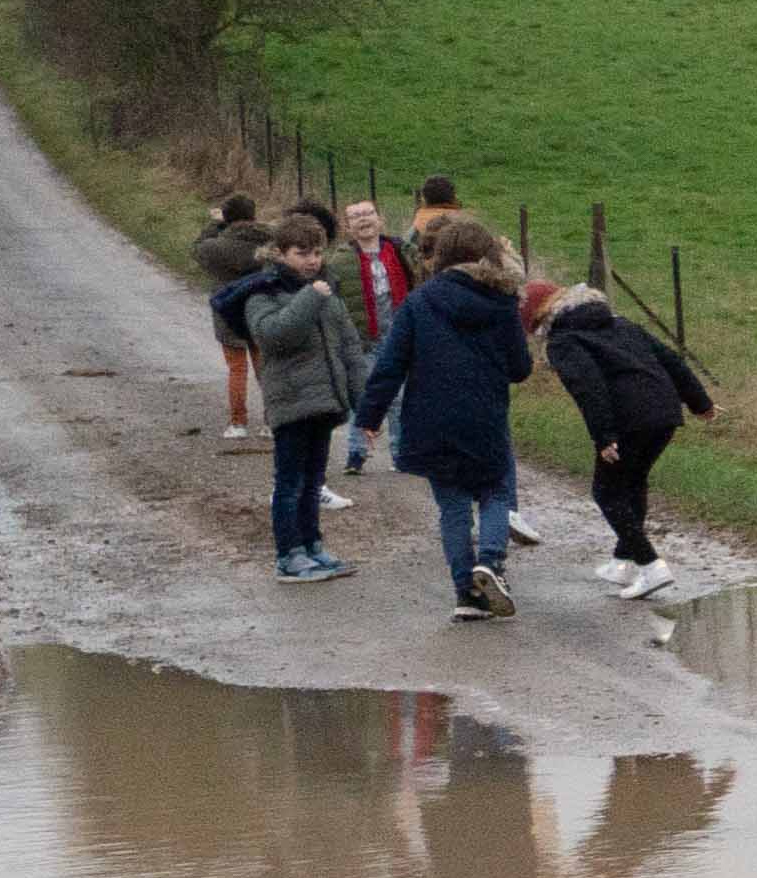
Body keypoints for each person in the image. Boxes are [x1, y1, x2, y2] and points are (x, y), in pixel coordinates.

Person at [351, 215, 536, 619]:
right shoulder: (502, 303)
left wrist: (369, 416)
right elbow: (521, 368)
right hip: (483, 416)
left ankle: (466, 597)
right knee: (494, 492)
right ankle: (489, 561)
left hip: (429, 419)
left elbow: (390, 365)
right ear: (489, 256)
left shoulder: (418, 302)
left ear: (441, 257)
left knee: (452, 507)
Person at [541, 281, 724, 601]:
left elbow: (588, 386)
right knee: (634, 482)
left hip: (628, 419)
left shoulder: (563, 341)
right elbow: (670, 359)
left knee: (607, 492)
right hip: (664, 412)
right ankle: (622, 562)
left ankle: (651, 566)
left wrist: (604, 436)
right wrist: (700, 403)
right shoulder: (621, 323)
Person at [220, 216, 364, 580]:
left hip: (325, 401)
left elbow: (348, 344)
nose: (312, 260)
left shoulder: (327, 289)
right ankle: (288, 554)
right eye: (302, 253)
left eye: (317, 252)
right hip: (290, 401)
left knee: (314, 481)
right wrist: (310, 297)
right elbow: (273, 336)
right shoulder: (261, 292)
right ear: (280, 253)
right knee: (290, 482)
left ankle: (313, 546)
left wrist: (363, 404)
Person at [333, 207, 406, 474]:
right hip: (362, 340)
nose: (363, 219)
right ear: (347, 226)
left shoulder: (399, 253)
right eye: (355, 216)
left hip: (397, 338)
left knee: (399, 398)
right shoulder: (340, 262)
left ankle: (401, 454)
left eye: (368, 213)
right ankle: (356, 453)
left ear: (380, 219)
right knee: (362, 397)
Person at [189, 192, 267, 437]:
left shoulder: (216, 247)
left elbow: (197, 250)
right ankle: (271, 423)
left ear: (227, 217)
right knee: (266, 368)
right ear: (253, 215)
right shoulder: (268, 241)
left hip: (228, 308)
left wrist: (215, 224)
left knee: (237, 369)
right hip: (262, 306)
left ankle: (238, 423)